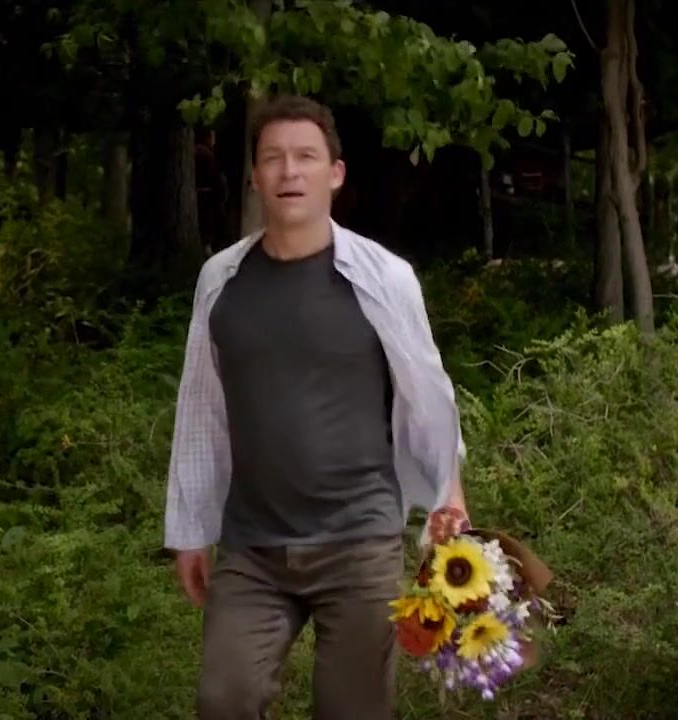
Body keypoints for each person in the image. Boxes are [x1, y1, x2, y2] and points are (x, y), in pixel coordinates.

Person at [163, 94, 471, 720]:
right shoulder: (221, 279)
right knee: (224, 700)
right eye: (272, 158)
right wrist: (191, 531)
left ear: (335, 173)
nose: (289, 171)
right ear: (254, 176)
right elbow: (201, 407)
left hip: (359, 540)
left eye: (305, 156)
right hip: (253, 546)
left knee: (352, 709)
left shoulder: (383, 277)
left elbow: (427, 397)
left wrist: (450, 496)